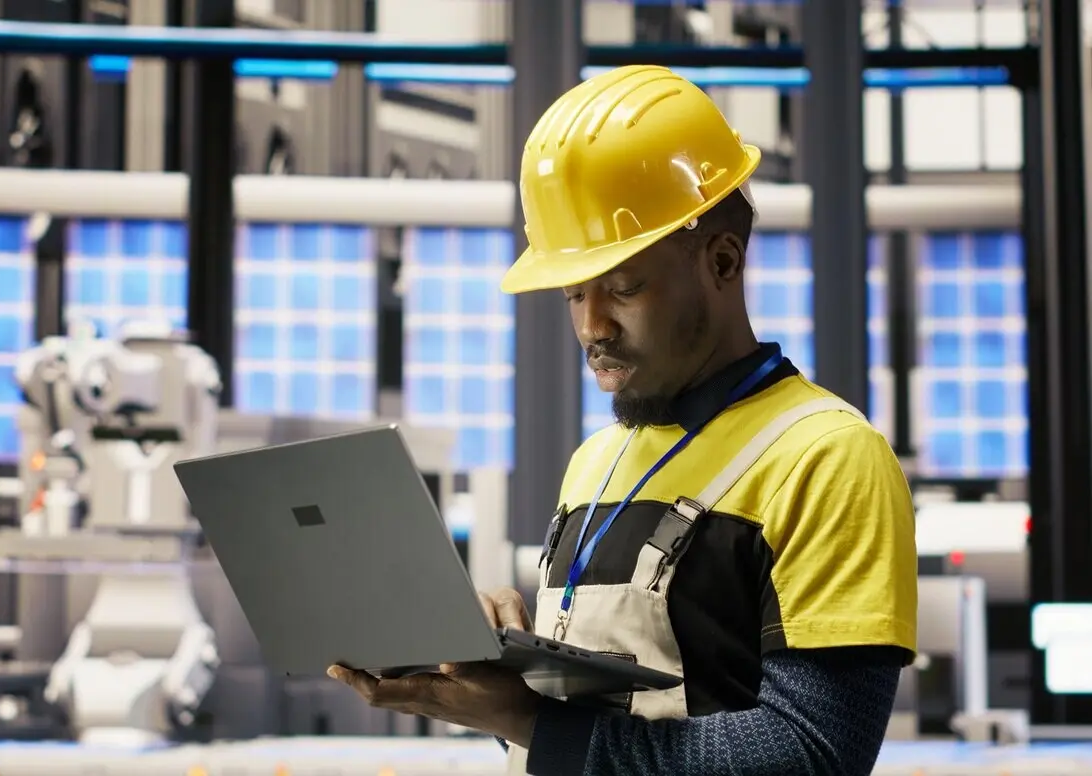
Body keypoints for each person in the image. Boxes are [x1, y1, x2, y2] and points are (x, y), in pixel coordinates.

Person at [328, 65, 918, 775]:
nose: (591, 327)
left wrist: (532, 721)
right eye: (574, 295)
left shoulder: (826, 459)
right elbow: (585, 733)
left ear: (723, 262)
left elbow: (812, 753)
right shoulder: (597, 462)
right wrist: (496, 687)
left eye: (623, 287)